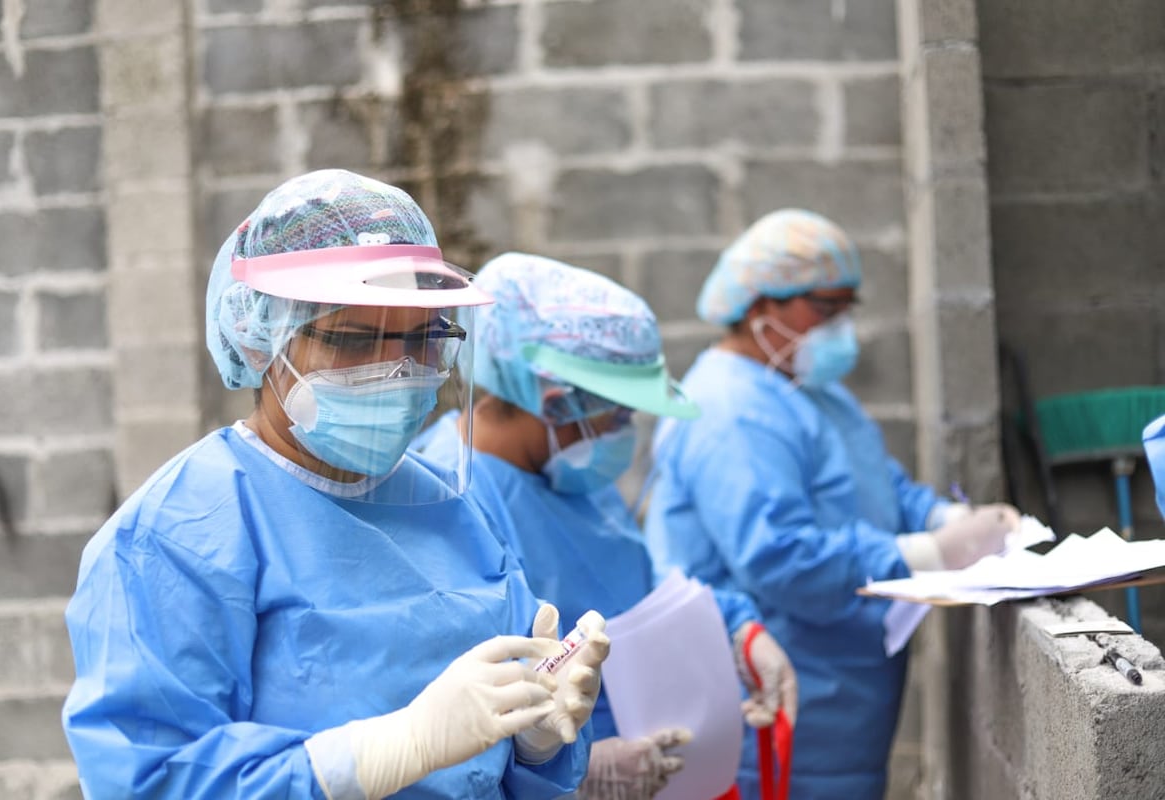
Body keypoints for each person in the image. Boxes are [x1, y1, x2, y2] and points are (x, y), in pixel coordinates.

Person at [61, 170, 609, 799]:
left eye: (424, 338)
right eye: (357, 339)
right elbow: (150, 780)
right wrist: (385, 751)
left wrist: (535, 743)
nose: (399, 368)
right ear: (262, 335)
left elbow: (497, 772)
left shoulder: (449, 508)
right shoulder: (176, 536)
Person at [642, 209, 1022, 799]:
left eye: (848, 306)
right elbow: (778, 557)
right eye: (824, 308)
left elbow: (879, 483)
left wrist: (942, 518)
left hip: (842, 719)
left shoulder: (813, 391)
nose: (840, 324)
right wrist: (927, 552)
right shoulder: (730, 410)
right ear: (759, 304)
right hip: (770, 715)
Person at [415, 252, 799, 799]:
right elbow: (455, 710)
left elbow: (634, 580)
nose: (625, 431)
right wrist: (578, 770)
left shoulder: (570, 475)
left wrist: (736, 628)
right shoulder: (451, 500)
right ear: (556, 403)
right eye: (618, 415)